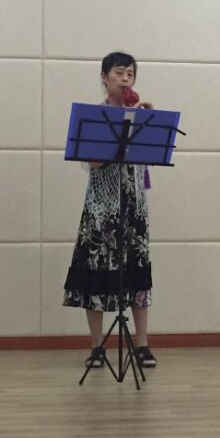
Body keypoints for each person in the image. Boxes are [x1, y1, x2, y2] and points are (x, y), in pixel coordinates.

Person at [63, 51, 157, 369]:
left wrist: (147, 123)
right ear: (104, 77)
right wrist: (122, 134)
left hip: (134, 208)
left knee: (137, 273)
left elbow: (152, 155)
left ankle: (142, 345)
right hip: (102, 208)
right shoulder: (97, 117)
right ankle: (97, 347)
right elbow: (94, 162)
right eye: (119, 73)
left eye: (130, 74)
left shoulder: (140, 115)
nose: (125, 79)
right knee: (96, 274)